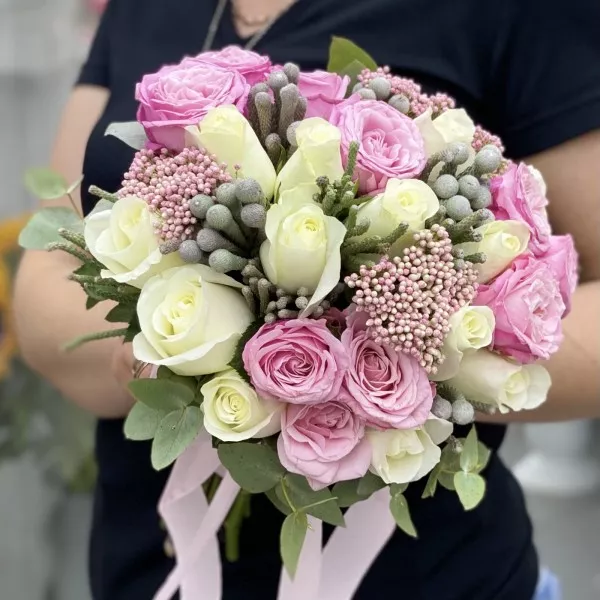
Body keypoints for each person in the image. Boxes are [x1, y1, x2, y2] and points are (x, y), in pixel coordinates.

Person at [13, 0, 600, 598]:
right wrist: (179, 358)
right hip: (144, 566)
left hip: (429, 578)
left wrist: (381, 376)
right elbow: (50, 268)